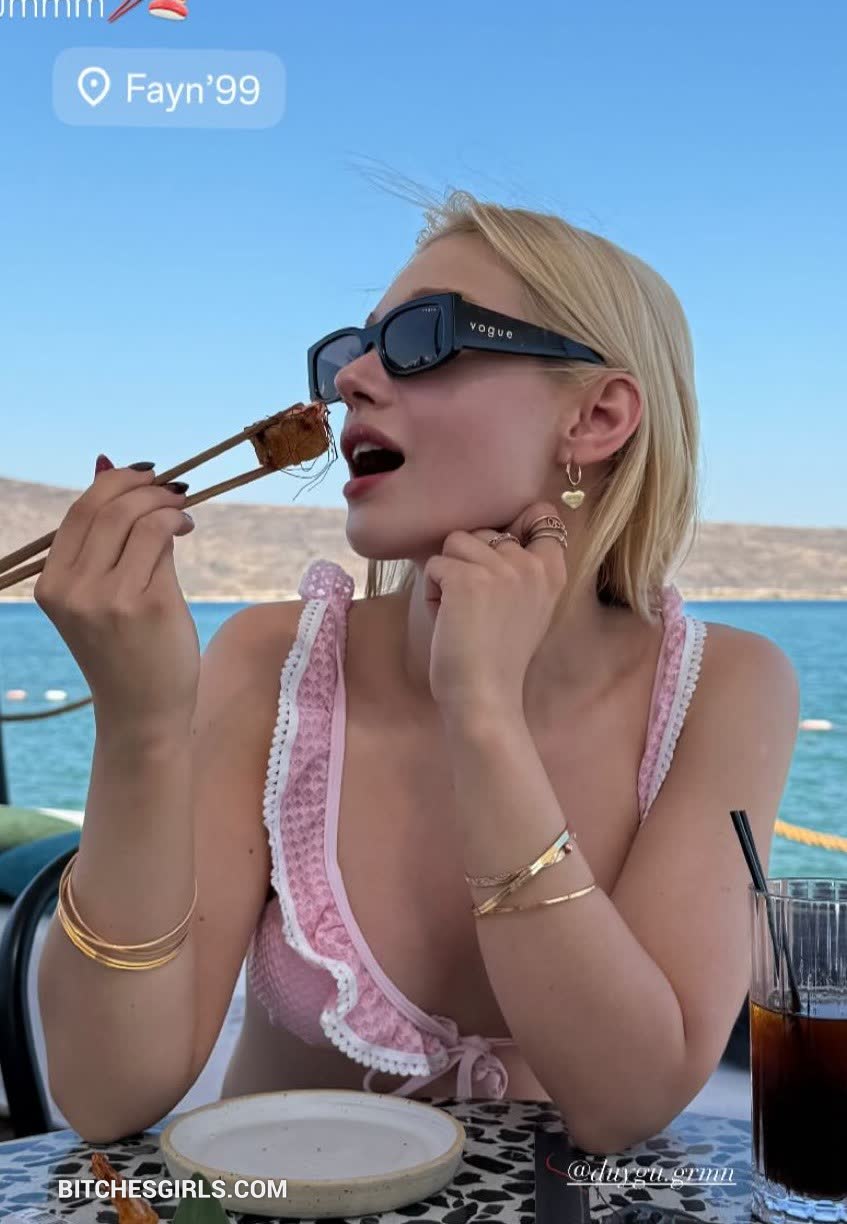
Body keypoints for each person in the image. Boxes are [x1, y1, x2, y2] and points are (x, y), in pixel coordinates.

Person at [36, 190, 799, 1152]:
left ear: (597, 416)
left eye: (420, 339)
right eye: (349, 351)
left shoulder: (726, 688)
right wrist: (138, 729)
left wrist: (481, 714)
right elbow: (106, 1096)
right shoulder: (274, 664)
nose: (351, 380)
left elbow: (623, 1104)